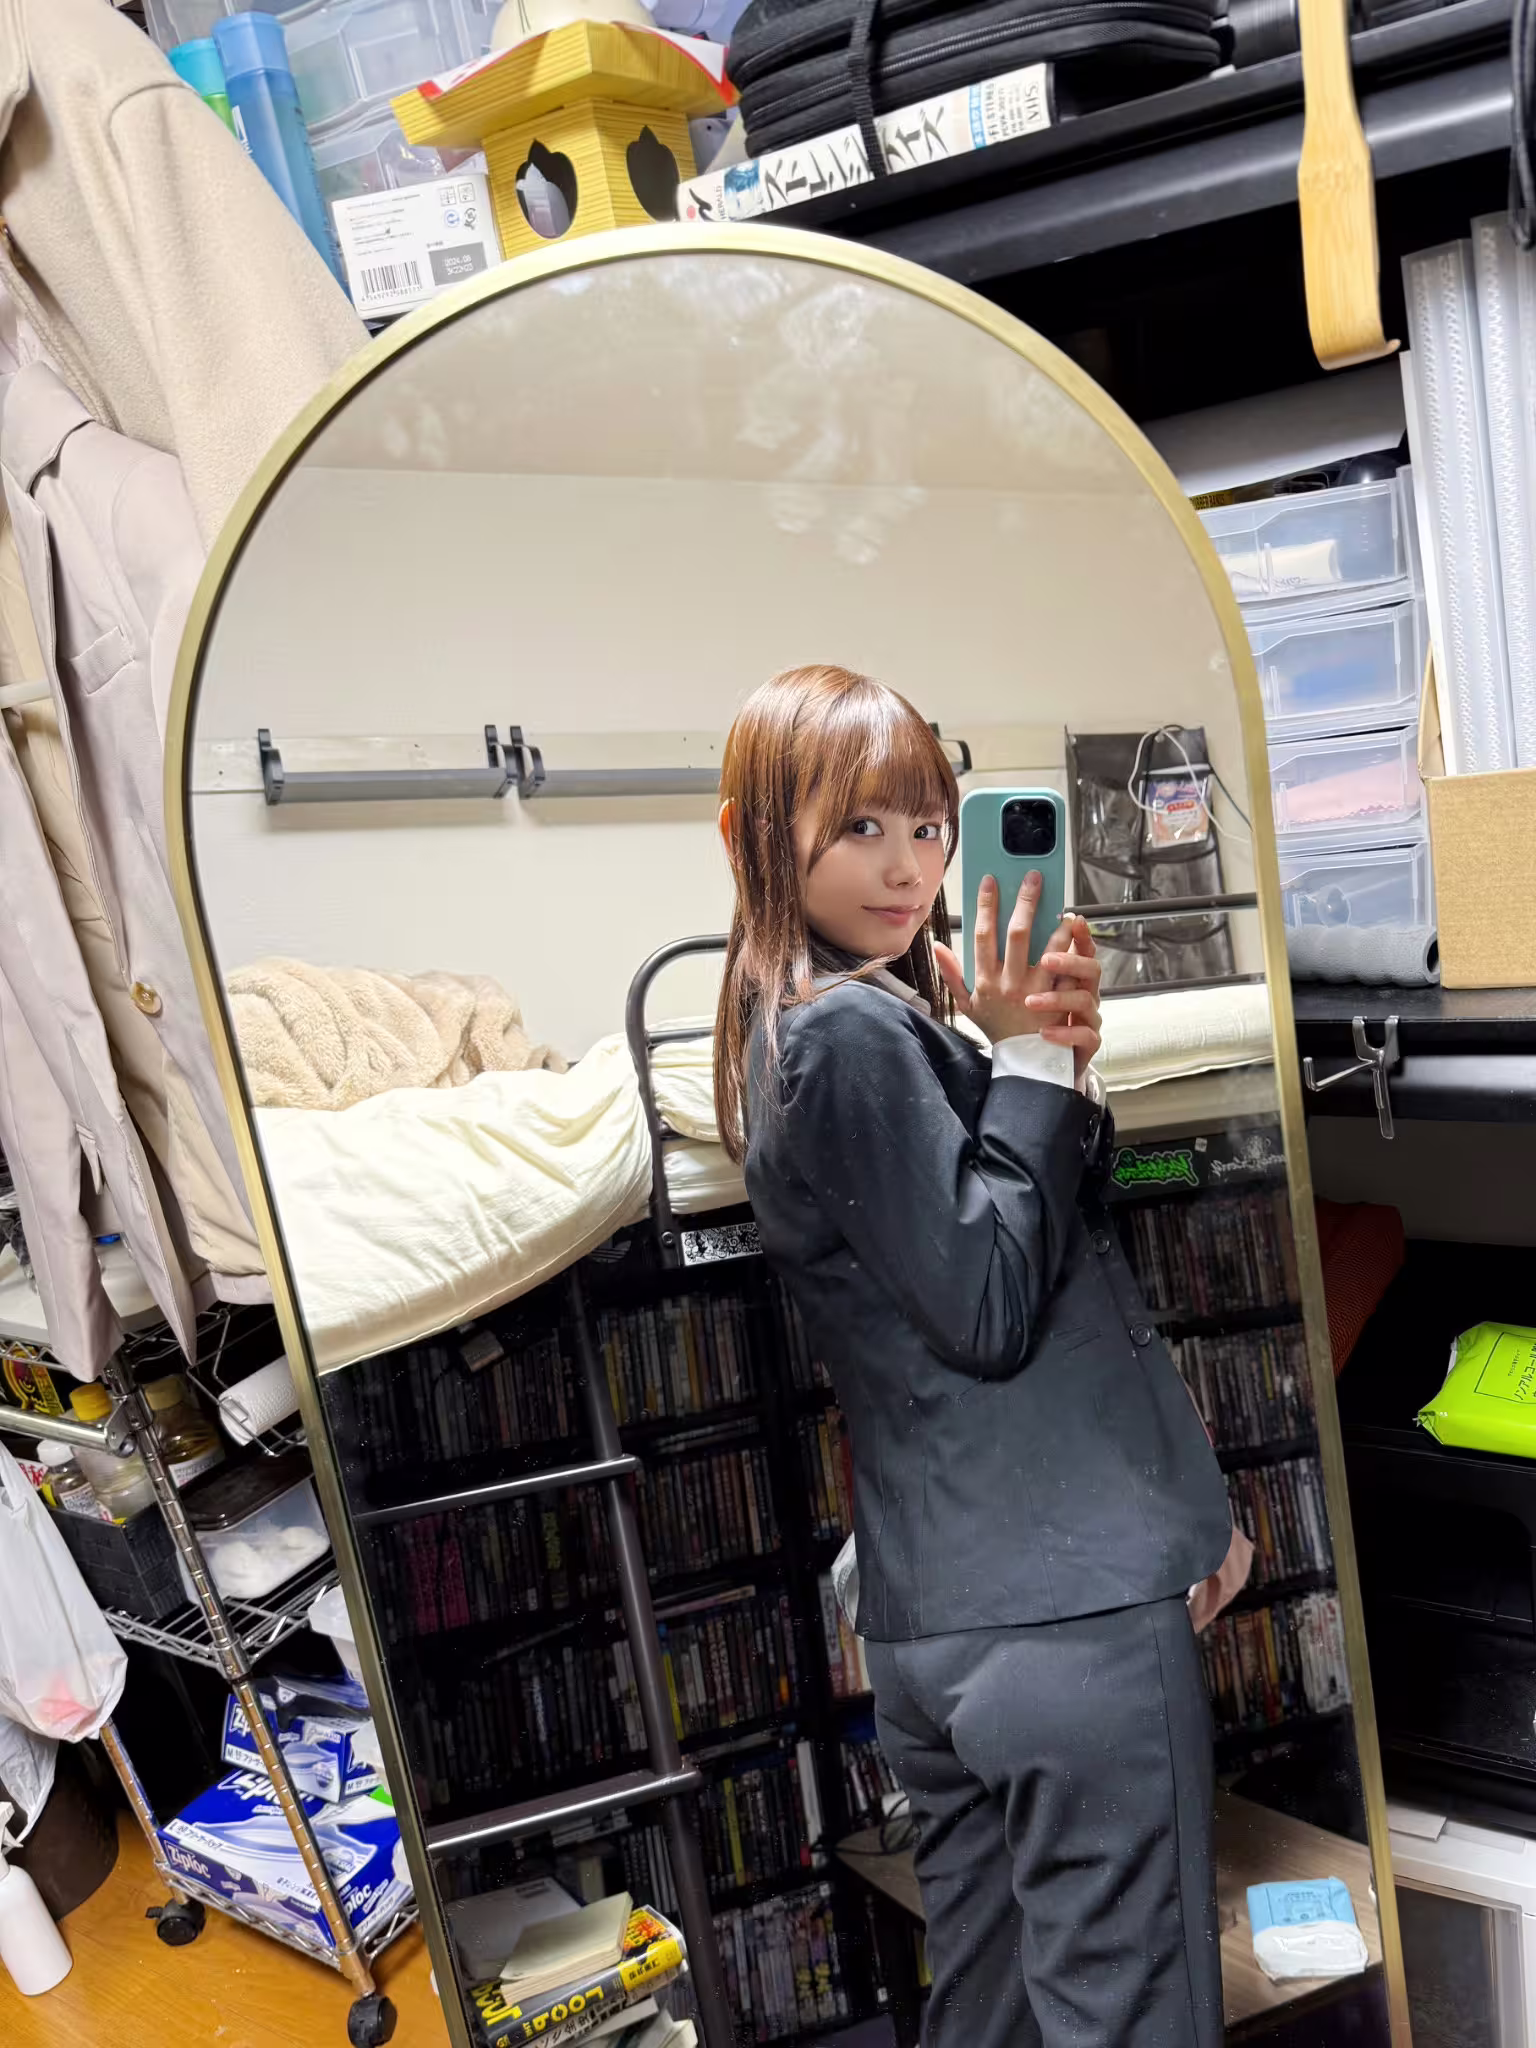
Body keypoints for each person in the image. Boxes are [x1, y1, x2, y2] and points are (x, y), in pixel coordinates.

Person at [713, 664, 1243, 2048]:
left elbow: (1027, 1252)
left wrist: (1047, 1063)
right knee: (1129, 2017)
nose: (910, 867)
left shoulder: (820, 1029)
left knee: (992, 2014)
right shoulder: (847, 1035)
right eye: (861, 829)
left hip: (942, 1625)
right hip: (1062, 1614)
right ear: (753, 836)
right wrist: (1025, 1066)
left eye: (928, 827)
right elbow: (995, 1300)